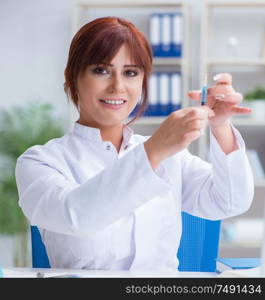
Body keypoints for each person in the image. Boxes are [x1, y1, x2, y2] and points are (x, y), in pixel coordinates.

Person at [15, 17, 254, 271]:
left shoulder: (170, 156)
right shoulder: (40, 162)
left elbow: (230, 201)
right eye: (101, 70)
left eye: (130, 73)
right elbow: (76, 216)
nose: (117, 86)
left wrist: (219, 125)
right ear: (73, 77)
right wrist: (154, 151)